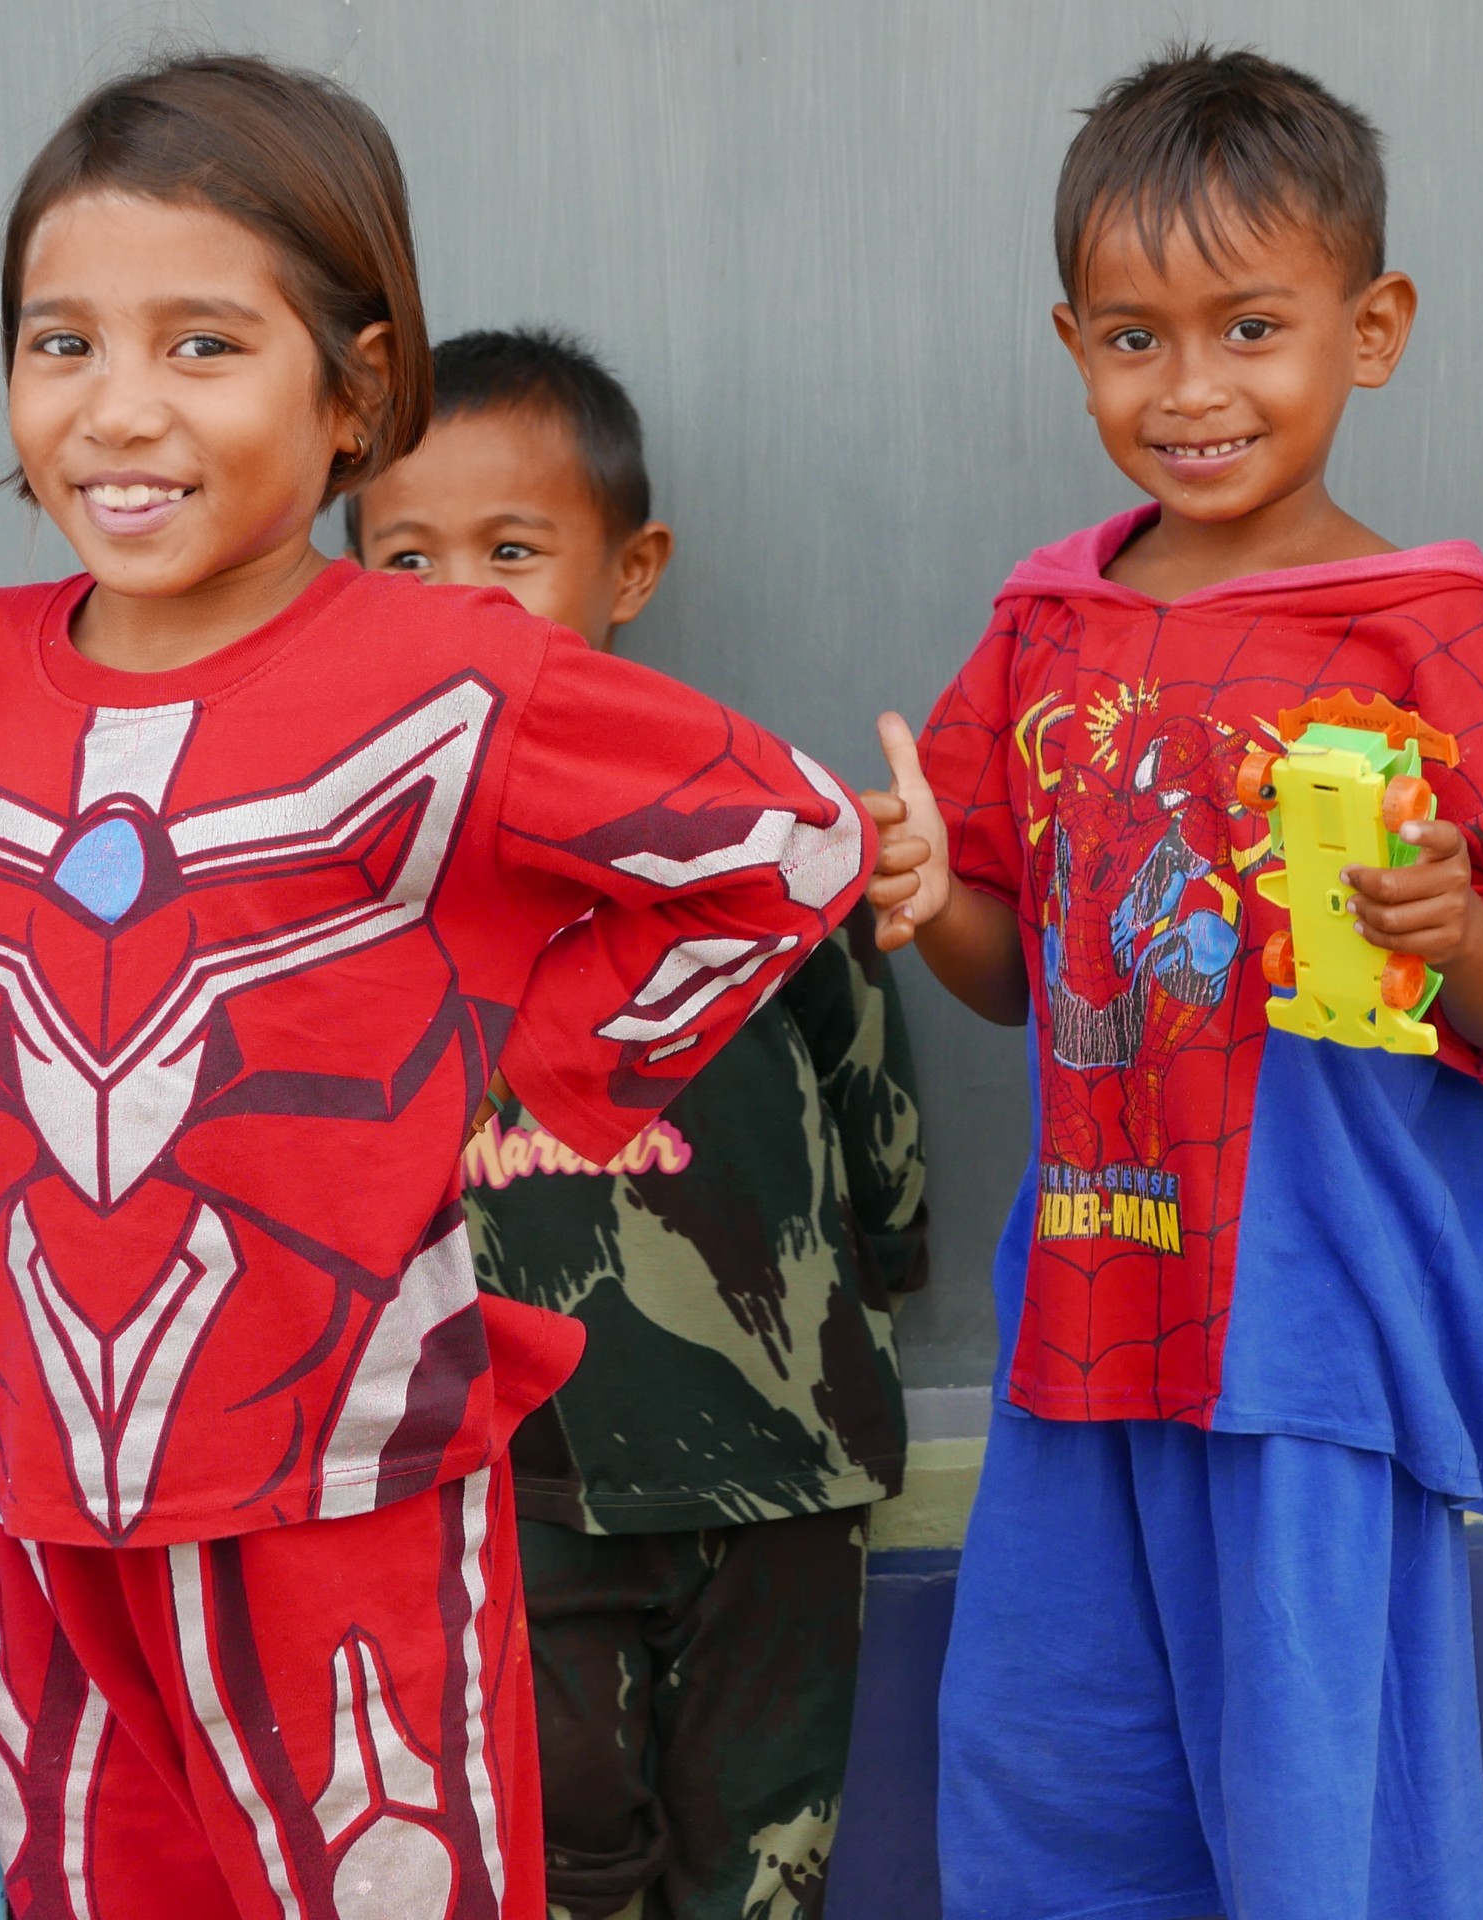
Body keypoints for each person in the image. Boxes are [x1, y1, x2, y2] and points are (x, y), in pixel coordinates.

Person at [0, 58, 872, 1920]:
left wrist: (540, 1093)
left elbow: (787, 849)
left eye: (200, 346)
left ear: (353, 391)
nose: (117, 410)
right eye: (61, 342)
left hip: (346, 1482)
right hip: (37, 1498)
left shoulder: (446, 675)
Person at [863, 46, 1483, 1920]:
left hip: (1306, 1323)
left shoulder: (1420, 625)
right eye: (1135, 337)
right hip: (1088, 1304)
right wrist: (918, 889)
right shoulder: (1049, 623)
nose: (1190, 389)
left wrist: (1459, 934)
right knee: (1059, 1787)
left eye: (1250, 327)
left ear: (1370, 331)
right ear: (1074, 342)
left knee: (1316, 1822)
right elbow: (1002, 968)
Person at [352, 327, 931, 1920]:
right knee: (559, 1861)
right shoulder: (355, 882)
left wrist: (885, 1251)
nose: (461, 597)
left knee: (763, 1864)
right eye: (406, 557)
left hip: (779, 1466)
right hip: (504, 1482)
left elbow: (863, 1074)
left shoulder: (752, 826)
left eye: (513, 550)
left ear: (632, 568)